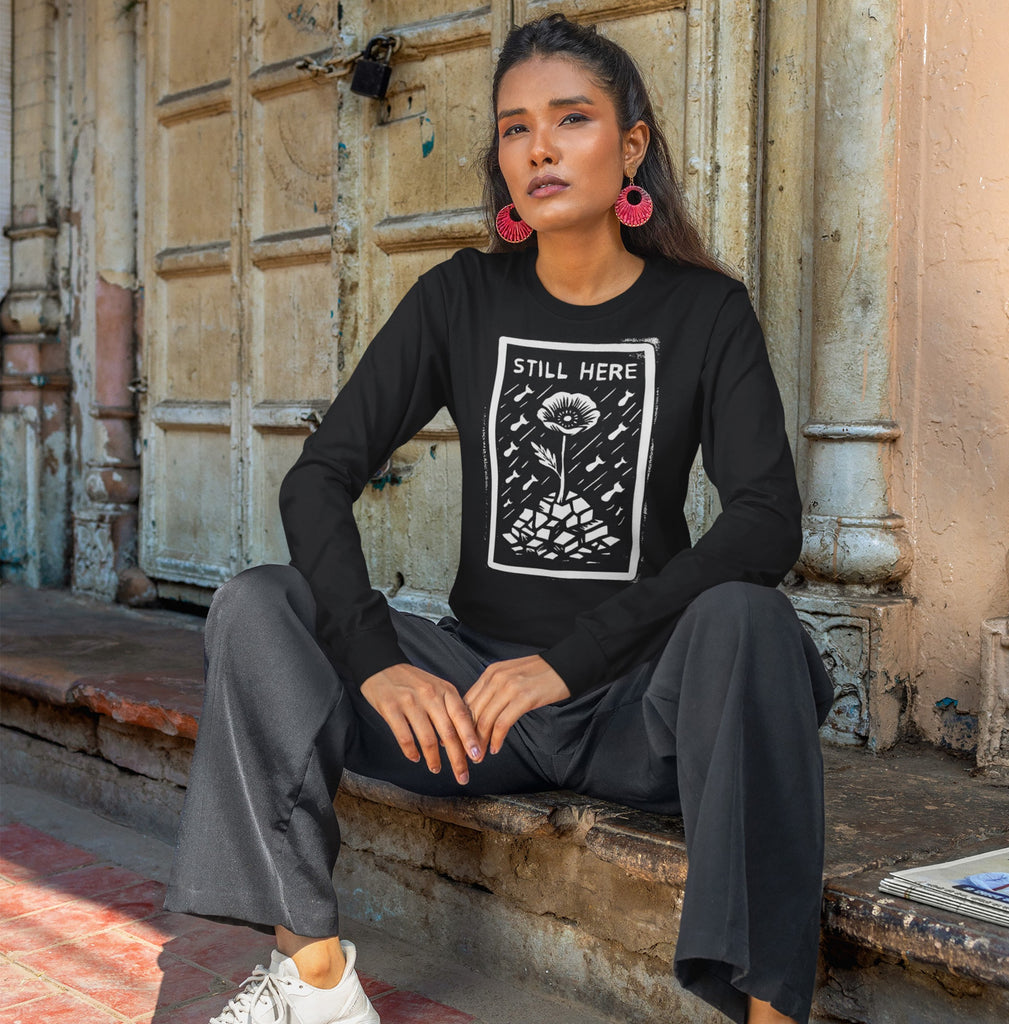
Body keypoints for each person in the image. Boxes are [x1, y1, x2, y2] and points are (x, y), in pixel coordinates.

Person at [164, 13, 835, 1024]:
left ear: (632, 146)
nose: (540, 148)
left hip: (633, 713)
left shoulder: (704, 314)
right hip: (468, 714)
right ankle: (312, 982)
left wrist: (571, 662)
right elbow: (320, 476)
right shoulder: (460, 299)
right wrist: (379, 656)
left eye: (571, 120)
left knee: (751, 619)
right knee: (259, 605)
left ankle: (771, 1015)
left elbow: (764, 522)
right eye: (515, 127)